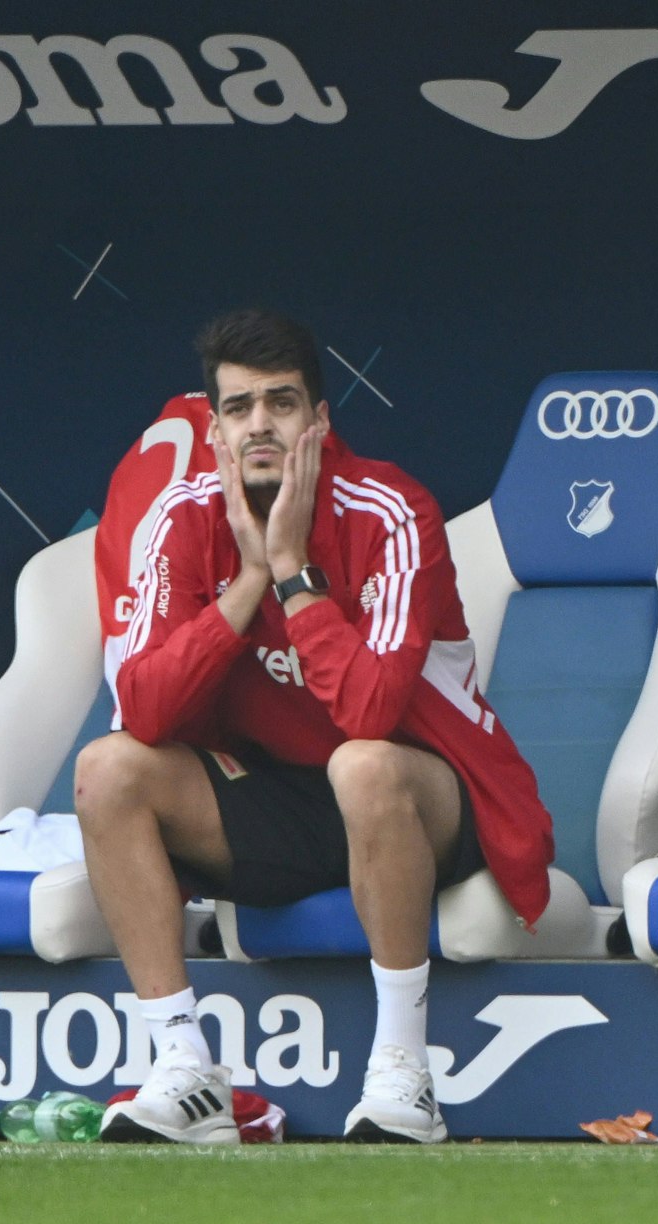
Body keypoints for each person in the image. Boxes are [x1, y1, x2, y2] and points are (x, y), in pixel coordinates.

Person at [77, 309, 553, 1144]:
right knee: (109, 769)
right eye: (237, 407)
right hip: (280, 803)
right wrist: (244, 585)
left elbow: (369, 713)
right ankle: (185, 1068)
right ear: (214, 427)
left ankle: (405, 1073)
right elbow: (144, 709)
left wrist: (293, 573)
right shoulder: (186, 516)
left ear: (321, 420)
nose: (259, 424)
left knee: (362, 764)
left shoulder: (393, 508)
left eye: (282, 403)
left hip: (420, 799)